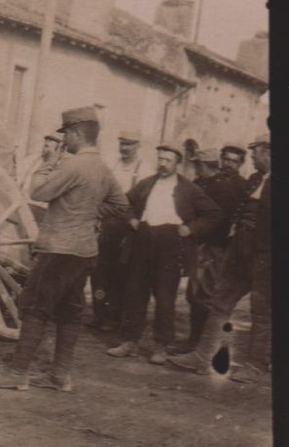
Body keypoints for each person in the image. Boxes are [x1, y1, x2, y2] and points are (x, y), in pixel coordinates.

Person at [0, 106, 130, 393]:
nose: (64, 142)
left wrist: (48, 161)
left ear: (75, 133)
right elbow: (121, 206)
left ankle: (17, 372)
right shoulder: (102, 168)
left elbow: (38, 192)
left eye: (66, 135)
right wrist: (90, 213)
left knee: (35, 307)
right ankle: (60, 376)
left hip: (59, 249)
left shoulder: (73, 165)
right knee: (70, 312)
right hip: (85, 251)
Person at [105, 143, 221, 365]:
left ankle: (162, 345)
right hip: (143, 239)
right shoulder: (147, 183)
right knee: (135, 292)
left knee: (165, 297)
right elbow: (123, 202)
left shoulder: (189, 189)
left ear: (177, 164)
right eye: (160, 159)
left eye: (167, 160)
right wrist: (131, 219)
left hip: (171, 243)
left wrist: (191, 229)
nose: (162, 164)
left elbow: (214, 214)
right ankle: (129, 341)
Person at [170, 132, 272, 382]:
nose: (254, 157)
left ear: (270, 152)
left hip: (266, 253)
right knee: (219, 301)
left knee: (261, 309)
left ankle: (257, 367)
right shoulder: (256, 179)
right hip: (240, 248)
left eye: (256, 152)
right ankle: (202, 357)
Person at [176, 143, 249, 355]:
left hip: (217, 247)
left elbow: (223, 220)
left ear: (240, 164)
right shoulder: (202, 182)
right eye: (226, 159)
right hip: (201, 245)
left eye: (234, 161)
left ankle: (197, 343)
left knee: (204, 294)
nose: (228, 164)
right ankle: (194, 340)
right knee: (194, 292)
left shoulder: (238, 187)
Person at [92, 128, 149, 330]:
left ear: (138, 146)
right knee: (99, 269)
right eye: (122, 143)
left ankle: (113, 316)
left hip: (127, 228)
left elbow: (143, 202)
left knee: (120, 272)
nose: (124, 148)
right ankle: (98, 313)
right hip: (107, 224)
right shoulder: (113, 165)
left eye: (129, 144)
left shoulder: (143, 169)